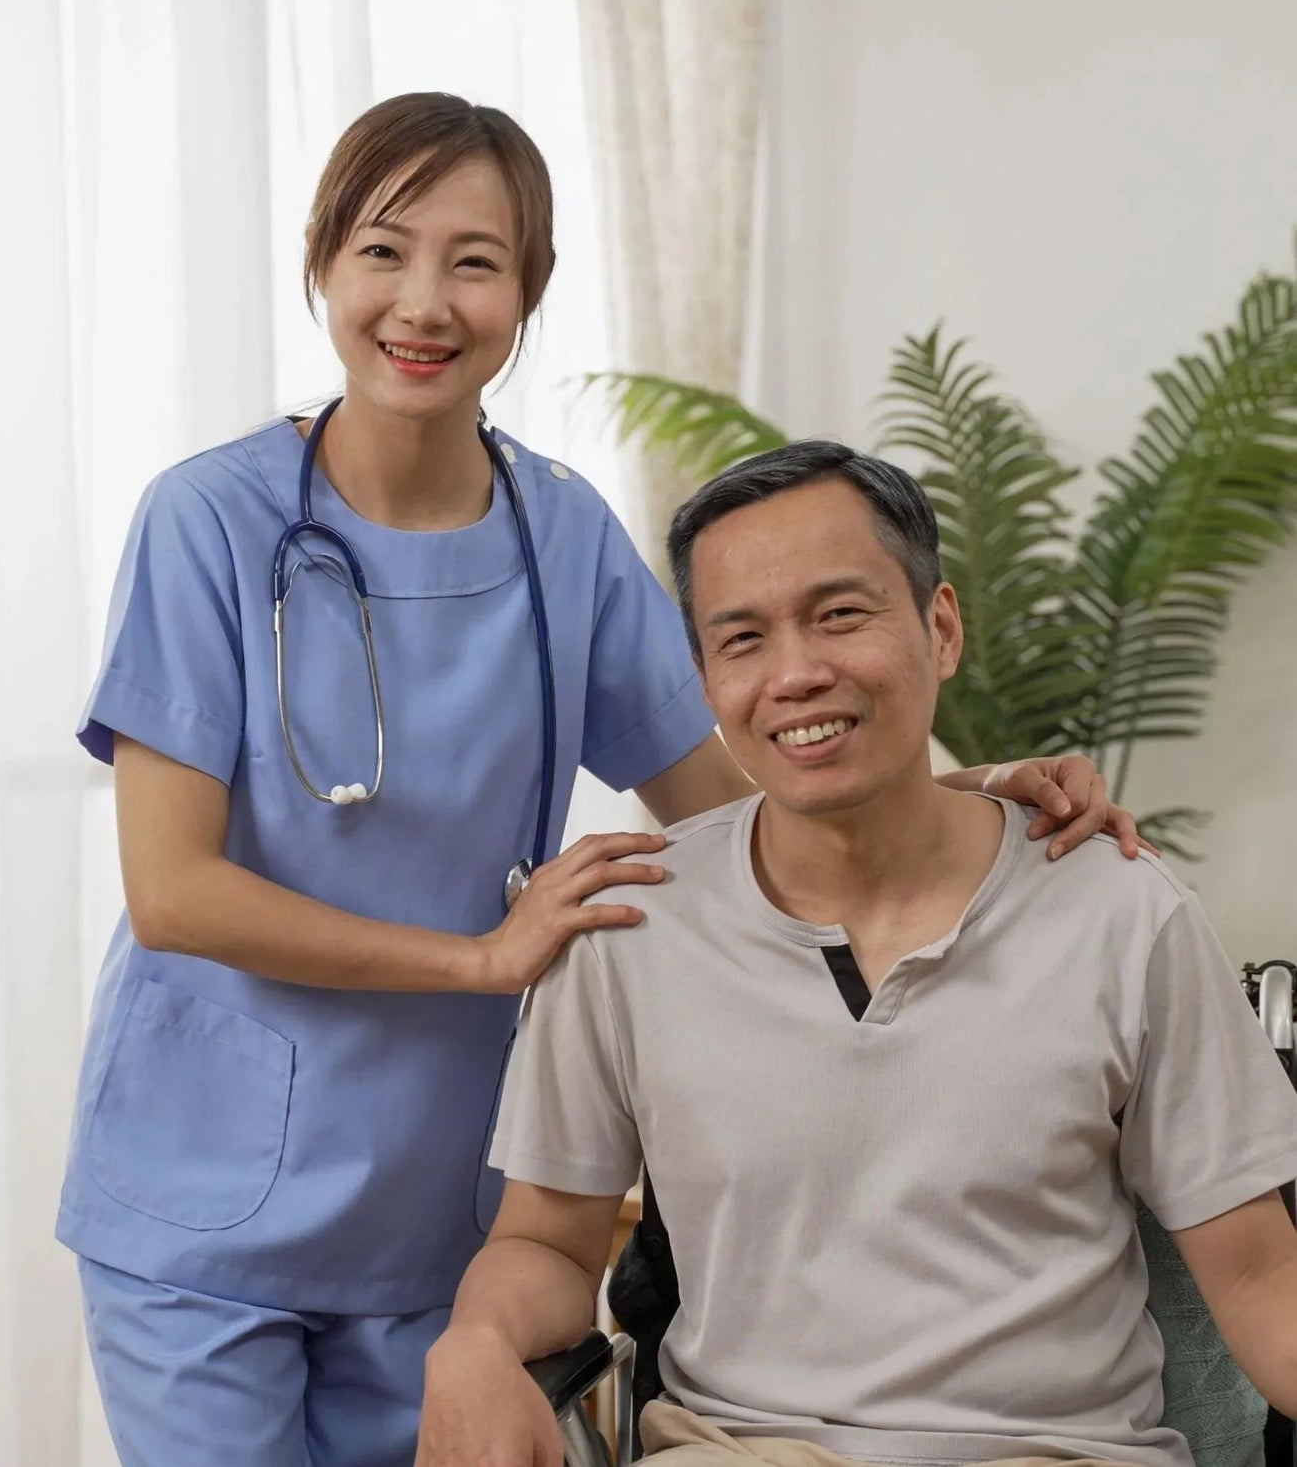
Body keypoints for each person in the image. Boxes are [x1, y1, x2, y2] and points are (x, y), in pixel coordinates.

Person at [57, 93, 1143, 1467]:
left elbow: (732, 791)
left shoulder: (557, 531)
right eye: (384, 252)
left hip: (433, 1204)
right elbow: (173, 893)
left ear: (531, 291)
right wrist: (479, 961)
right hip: (199, 1195)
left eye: (477, 261)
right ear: (323, 265)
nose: (425, 302)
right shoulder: (209, 522)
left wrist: (977, 793)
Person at [415, 441, 1297, 1467]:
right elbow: (548, 1242)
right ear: (703, 678)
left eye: (840, 614)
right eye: (741, 638)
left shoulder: (1120, 911)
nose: (796, 673)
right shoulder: (629, 927)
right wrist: (474, 1343)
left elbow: (1258, 1278)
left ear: (941, 626)